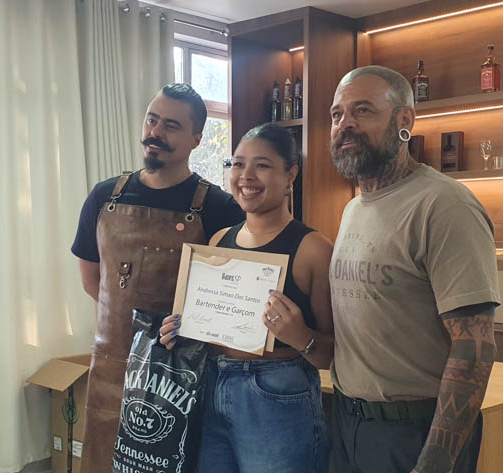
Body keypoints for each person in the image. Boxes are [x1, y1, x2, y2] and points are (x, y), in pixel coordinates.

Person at [325, 65, 502, 473]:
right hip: (350, 425)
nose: (345, 124)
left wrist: (436, 460)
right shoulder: (353, 208)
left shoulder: (444, 205)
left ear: (404, 120)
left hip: (415, 433)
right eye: (337, 115)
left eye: (363, 111)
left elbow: (474, 348)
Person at [71, 83, 244, 471]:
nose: (155, 133)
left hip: (182, 378)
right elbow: (91, 280)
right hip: (113, 369)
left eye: (171, 126)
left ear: (196, 139)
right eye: (152, 120)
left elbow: (230, 299)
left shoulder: (219, 208)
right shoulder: (104, 197)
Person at [158, 123, 334, 473]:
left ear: (290, 175)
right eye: (237, 164)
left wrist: (301, 337)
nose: (246, 176)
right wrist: (179, 330)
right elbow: (208, 328)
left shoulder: (313, 250)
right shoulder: (218, 241)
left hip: (277, 396)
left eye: (262, 165)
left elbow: (334, 354)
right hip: (211, 387)